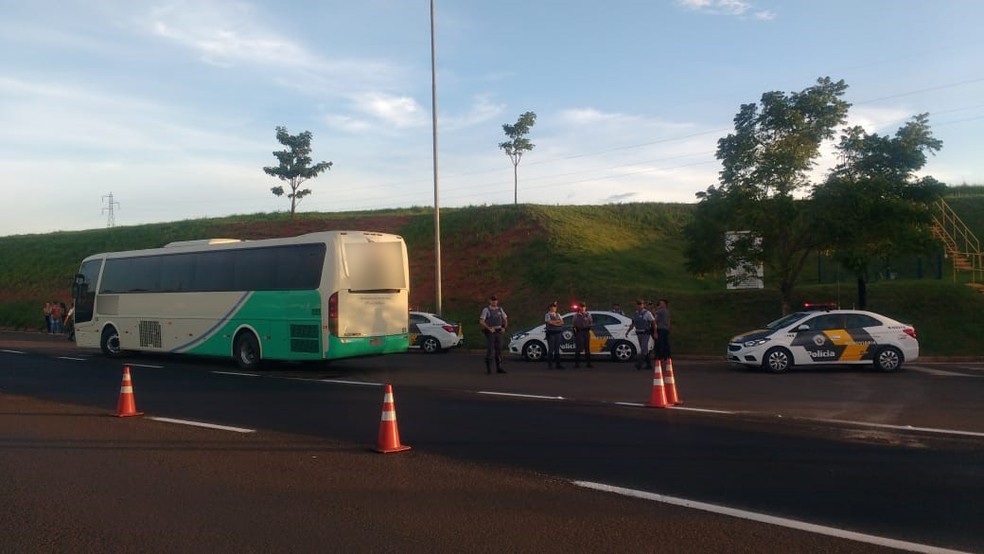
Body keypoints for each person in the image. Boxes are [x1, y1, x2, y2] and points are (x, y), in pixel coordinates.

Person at [479, 294, 508, 374]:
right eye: (492, 300)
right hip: (491, 332)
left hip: (499, 331)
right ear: (490, 301)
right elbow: (481, 321)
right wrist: (489, 328)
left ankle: (499, 367)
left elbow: (505, 319)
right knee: (490, 350)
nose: (494, 302)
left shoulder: (500, 309)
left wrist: (504, 327)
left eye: (495, 300)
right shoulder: (486, 310)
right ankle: (489, 369)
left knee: (499, 350)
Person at [625, 299, 655, 370]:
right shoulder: (636, 313)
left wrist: (655, 332)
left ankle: (639, 364)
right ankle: (649, 365)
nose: (639, 306)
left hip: (645, 333)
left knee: (644, 348)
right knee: (644, 349)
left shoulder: (647, 313)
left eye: (640, 304)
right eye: (638, 304)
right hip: (639, 333)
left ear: (643, 305)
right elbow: (633, 324)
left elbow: (653, 322)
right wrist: (628, 331)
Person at [544, 301, 565, 369]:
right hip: (551, 333)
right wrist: (557, 322)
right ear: (550, 308)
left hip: (558, 333)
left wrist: (555, 323)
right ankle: (550, 365)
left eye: (555, 307)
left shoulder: (558, 314)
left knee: (557, 349)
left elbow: (562, 322)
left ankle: (558, 365)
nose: (554, 308)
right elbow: (549, 322)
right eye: (553, 307)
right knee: (551, 349)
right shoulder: (547, 315)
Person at [572, 303, 593, 368]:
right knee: (578, 348)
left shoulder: (588, 314)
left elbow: (591, 322)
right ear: (580, 308)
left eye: (584, 307)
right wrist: (575, 332)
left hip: (586, 331)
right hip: (579, 332)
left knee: (587, 348)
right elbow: (573, 324)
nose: (583, 308)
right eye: (582, 307)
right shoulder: (576, 315)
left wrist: (588, 327)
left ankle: (588, 364)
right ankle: (577, 364)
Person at [654, 298, 671, 366]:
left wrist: (657, 308)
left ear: (664, 304)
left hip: (661, 329)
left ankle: (661, 357)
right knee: (665, 343)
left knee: (661, 343)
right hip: (665, 329)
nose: (659, 304)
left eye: (661, 303)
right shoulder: (667, 311)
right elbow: (668, 320)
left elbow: (653, 313)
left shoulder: (661, 311)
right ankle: (667, 357)